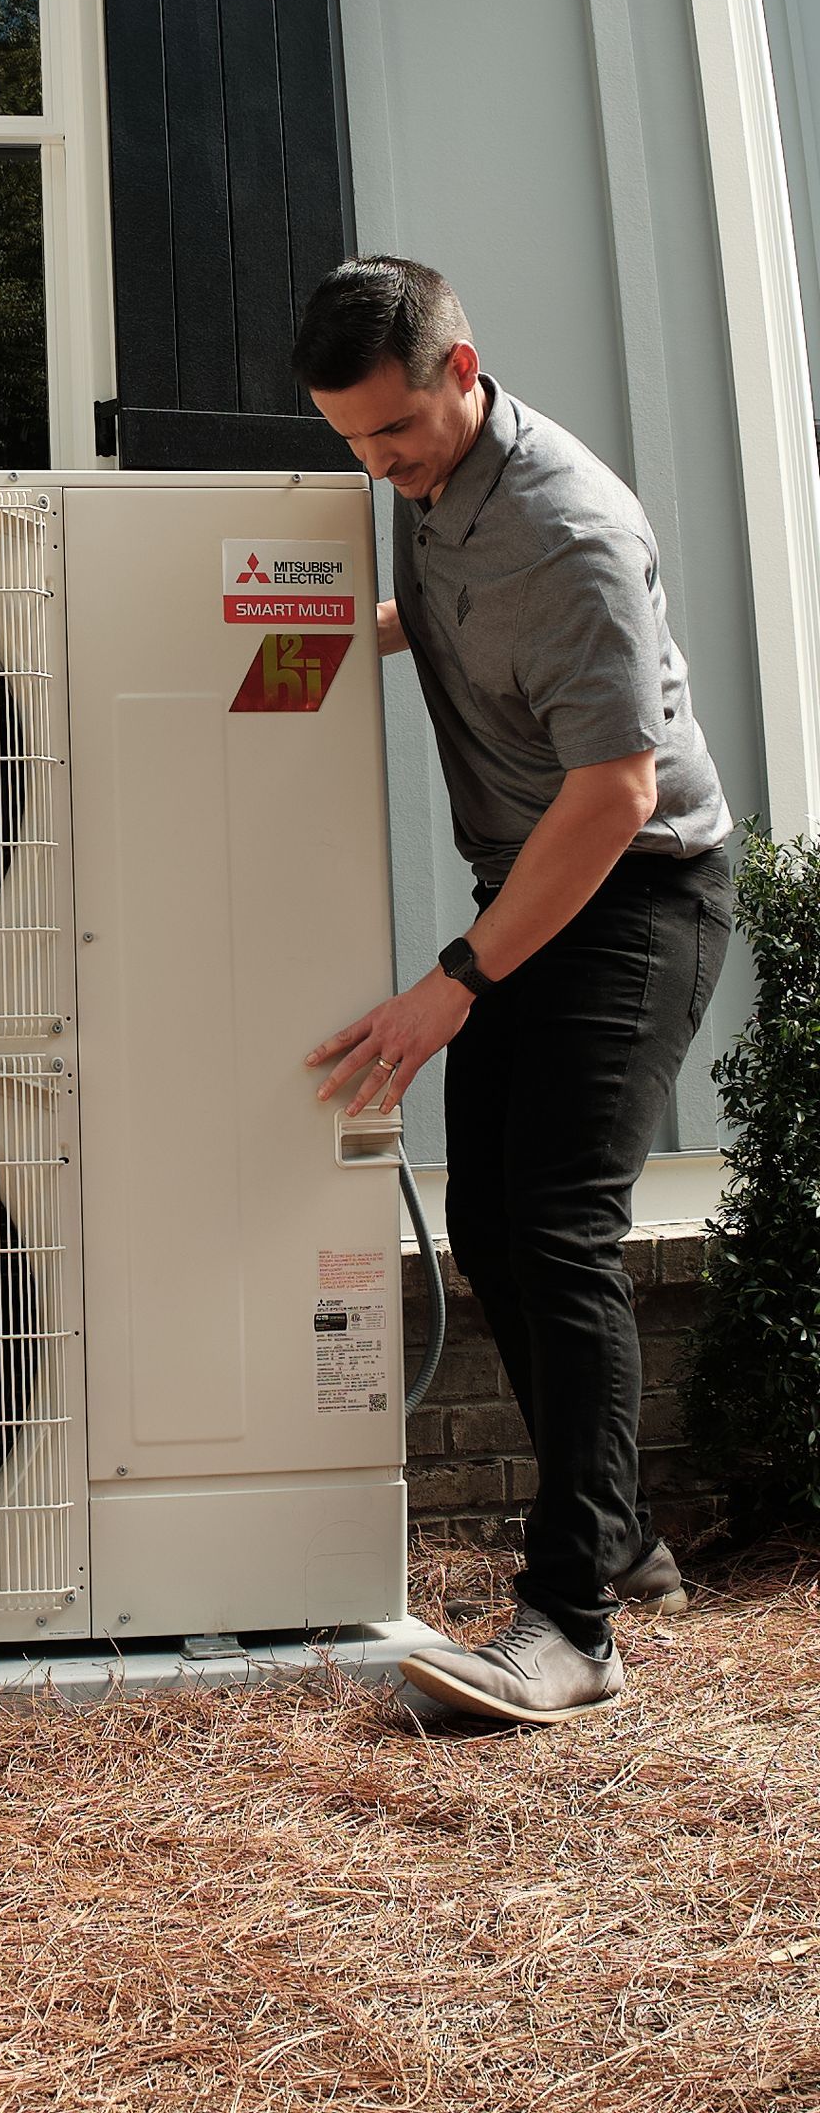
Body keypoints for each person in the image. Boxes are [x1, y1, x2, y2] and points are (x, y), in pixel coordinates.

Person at [294, 257, 732, 1727]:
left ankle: (573, 1625)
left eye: (396, 435)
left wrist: (454, 984)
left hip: (637, 889)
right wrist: (313, 637)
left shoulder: (571, 529)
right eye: (351, 442)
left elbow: (613, 789)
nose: (379, 467)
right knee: (489, 1218)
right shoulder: (438, 489)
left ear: (464, 369)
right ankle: (622, 1539)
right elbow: (462, 608)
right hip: (540, 884)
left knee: (556, 1232)